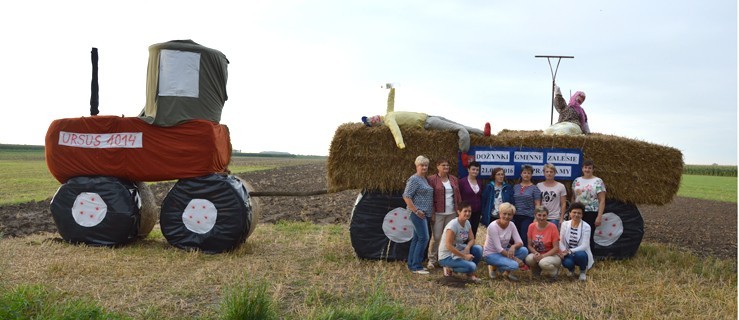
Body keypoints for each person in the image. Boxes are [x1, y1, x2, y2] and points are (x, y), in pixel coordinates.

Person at [361, 85, 484, 152]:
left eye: (371, 117)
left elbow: (390, 100)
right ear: (376, 125)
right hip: (427, 123)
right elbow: (395, 131)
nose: (373, 118)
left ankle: (484, 133)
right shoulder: (388, 121)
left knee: (459, 124)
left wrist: (391, 87)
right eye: (371, 121)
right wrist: (400, 144)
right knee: (460, 130)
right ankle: (464, 152)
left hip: (429, 116)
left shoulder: (388, 113)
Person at [426, 158, 461, 270]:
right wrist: (432, 212)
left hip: (452, 213)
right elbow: (429, 197)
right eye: (443, 165)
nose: (446, 167)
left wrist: (459, 210)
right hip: (438, 213)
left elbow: (458, 195)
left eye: (447, 165)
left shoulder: (454, 179)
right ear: (437, 166)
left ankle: (446, 259)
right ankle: (432, 260)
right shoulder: (431, 179)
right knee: (436, 237)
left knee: (450, 237)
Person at [403, 155, 434, 275]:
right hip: (417, 213)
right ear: (417, 166)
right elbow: (406, 196)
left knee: (417, 238)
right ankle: (416, 266)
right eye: (422, 165)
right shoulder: (414, 179)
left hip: (424, 213)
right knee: (424, 238)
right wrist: (415, 210)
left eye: (426, 165)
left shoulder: (424, 179)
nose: (424, 167)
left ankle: (411, 264)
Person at [438, 201, 483, 283]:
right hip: (447, 256)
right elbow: (448, 245)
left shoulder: (467, 223)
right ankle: (448, 267)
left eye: (469, 211)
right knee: (472, 266)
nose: (468, 213)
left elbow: (472, 239)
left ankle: (469, 273)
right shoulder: (453, 226)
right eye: (465, 211)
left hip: (459, 250)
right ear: (459, 212)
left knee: (478, 249)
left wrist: (467, 247)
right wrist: (464, 256)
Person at [483, 202, 528, 281]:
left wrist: (513, 246)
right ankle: (492, 266)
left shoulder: (512, 225)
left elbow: (520, 242)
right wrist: (515, 259)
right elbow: (498, 249)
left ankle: (506, 273)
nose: (506, 216)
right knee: (514, 265)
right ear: (500, 214)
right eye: (504, 213)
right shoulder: (493, 226)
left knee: (524, 250)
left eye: (509, 214)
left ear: (512, 215)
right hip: (491, 253)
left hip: (503, 251)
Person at [558, 202, 594, 281]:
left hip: (580, 252)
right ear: (570, 213)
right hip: (567, 251)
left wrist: (569, 251)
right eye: (574, 212)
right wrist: (564, 251)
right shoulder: (564, 224)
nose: (576, 215)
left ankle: (582, 271)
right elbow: (560, 240)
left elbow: (585, 245)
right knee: (567, 263)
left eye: (579, 213)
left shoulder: (587, 226)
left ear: (582, 215)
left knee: (581, 255)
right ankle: (571, 270)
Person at [525, 206, 562, 280]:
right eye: (539, 215)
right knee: (528, 259)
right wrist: (536, 253)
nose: (541, 218)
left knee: (543, 262)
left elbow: (556, 248)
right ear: (535, 215)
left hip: (553, 255)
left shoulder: (552, 227)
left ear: (547, 216)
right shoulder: (531, 226)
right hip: (538, 253)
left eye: (544, 215)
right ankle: (537, 271)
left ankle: (554, 272)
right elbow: (529, 245)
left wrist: (543, 256)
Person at [572, 159, 606, 229]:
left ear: (593, 169)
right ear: (582, 169)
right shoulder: (576, 180)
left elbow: (602, 200)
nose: (587, 170)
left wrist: (599, 216)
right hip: (577, 212)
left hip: (591, 212)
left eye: (589, 168)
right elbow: (573, 197)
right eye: (585, 167)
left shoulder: (598, 181)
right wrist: (572, 211)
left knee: (588, 234)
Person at [512, 165, 541, 248]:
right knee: (515, 237)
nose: (526, 175)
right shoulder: (515, 187)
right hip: (515, 215)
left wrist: (536, 217)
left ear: (531, 175)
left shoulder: (535, 188)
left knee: (524, 236)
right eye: (524, 173)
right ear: (521, 174)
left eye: (529, 173)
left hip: (528, 216)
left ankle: (525, 256)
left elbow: (537, 204)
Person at [537, 163, 568, 229]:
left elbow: (563, 203)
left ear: (555, 173)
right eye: (547, 172)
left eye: (551, 172)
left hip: (555, 217)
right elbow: (538, 202)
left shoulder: (561, 186)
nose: (549, 174)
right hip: (541, 216)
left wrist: (561, 218)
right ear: (544, 173)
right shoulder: (539, 186)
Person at [458, 161, 483, 239]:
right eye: (473, 169)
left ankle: (472, 248)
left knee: (474, 231)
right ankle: (464, 248)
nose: (475, 171)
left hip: (477, 211)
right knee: (464, 231)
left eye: (477, 170)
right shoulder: (462, 182)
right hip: (466, 212)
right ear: (468, 170)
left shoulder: (480, 182)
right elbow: (458, 196)